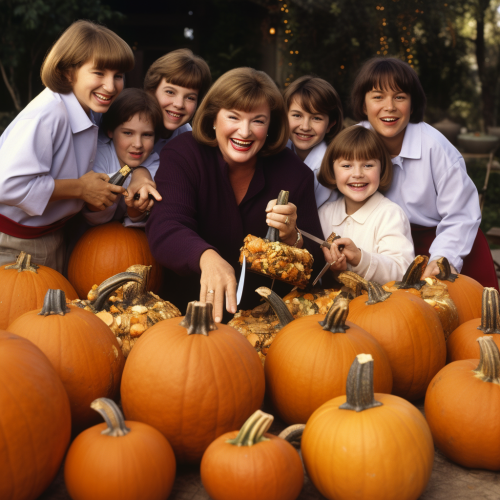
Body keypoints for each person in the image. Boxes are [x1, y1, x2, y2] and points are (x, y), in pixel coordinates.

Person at [146, 67, 325, 322]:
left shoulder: (295, 174)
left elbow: (316, 265)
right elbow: (166, 225)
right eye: (233, 117)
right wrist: (205, 257)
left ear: (270, 126)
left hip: (266, 324)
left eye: (258, 121)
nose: (245, 131)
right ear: (213, 118)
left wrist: (293, 238)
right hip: (184, 316)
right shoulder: (183, 154)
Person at [351, 56, 498, 290]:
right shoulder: (353, 142)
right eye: (378, 97)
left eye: (400, 97)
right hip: (385, 248)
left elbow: (461, 214)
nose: (389, 106)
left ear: (413, 103)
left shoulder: (435, 146)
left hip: (445, 241)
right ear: (363, 104)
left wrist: (443, 259)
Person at [0, 20, 134, 272]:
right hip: (11, 244)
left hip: (54, 235)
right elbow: (7, 185)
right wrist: (81, 189)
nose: (110, 85)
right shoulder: (48, 114)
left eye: (118, 76)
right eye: (99, 73)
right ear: (67, 72)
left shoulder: (92, 109)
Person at [318, 126, 414, 284]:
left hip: (380, 306)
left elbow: (402, 271)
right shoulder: (324, 214)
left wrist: (359, 259)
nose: (357, 174)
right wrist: (333, 267)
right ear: (332, 169)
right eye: (347, 166)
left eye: (368, 165)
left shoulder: (390, 214)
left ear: (381, 168)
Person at [129, 49, 212, 205]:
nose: (179, 104)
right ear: (151, 91)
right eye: (170, 92)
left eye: (190, 97)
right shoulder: (125, 124)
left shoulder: (190, 141)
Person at [84, 88, 163, 227]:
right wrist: (135, 174)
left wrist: (136, 202)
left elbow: (137, 218)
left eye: (147, 135)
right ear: (110, 131)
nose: (138, 144)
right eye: (128, 133)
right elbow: (96, 217)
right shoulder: (98, 155)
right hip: (88, 238)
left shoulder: (155, 163)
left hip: (132, 239)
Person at [284, 76, 344, 208]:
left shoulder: (329, 166)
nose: (305, 127)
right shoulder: (281, 150)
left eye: (316, 118)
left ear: (330, 125)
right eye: (297, 115)